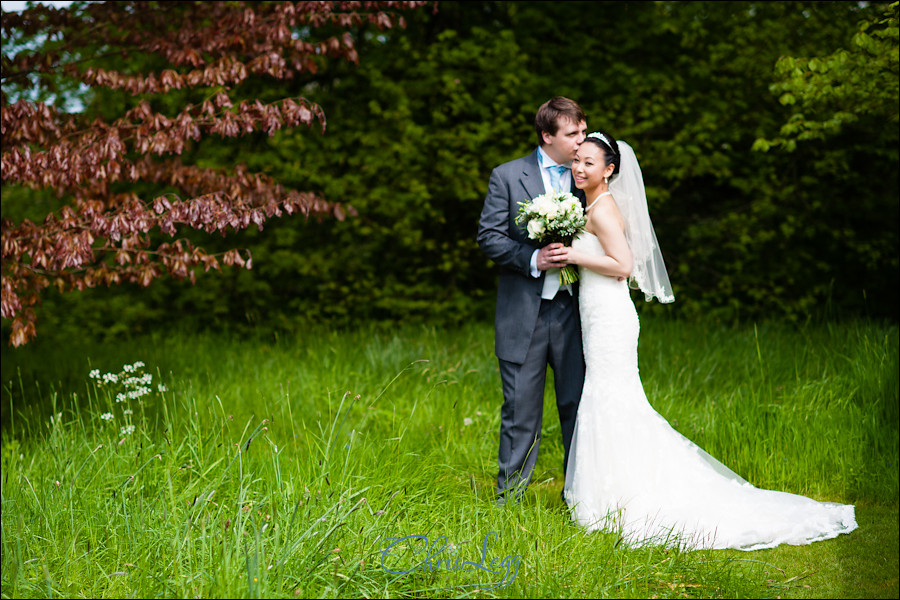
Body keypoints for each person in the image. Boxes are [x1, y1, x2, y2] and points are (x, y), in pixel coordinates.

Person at [558, 132, 858, 550]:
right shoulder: (591, 205)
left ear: (608, 169)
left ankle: (623, 495)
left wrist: (574, 256)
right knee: (608, 396)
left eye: (588, 162)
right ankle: (610, 489)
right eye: (576, 160)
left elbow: (622, 265)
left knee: (610, 396)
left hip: (610, 317)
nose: (579, 167)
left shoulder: (603, 209)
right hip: (597, 314)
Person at [477, 97, 588, 504]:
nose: (582, 141)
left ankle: (580, 496)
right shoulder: (507, 176)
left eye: (582, 131)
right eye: (573, 133)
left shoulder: (587, 173)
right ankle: (509, 499)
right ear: (547, 136)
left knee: (578, 405)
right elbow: (489, 236)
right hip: (524, 311)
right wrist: (532, 258)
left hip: (575, 310)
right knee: (520, 409)